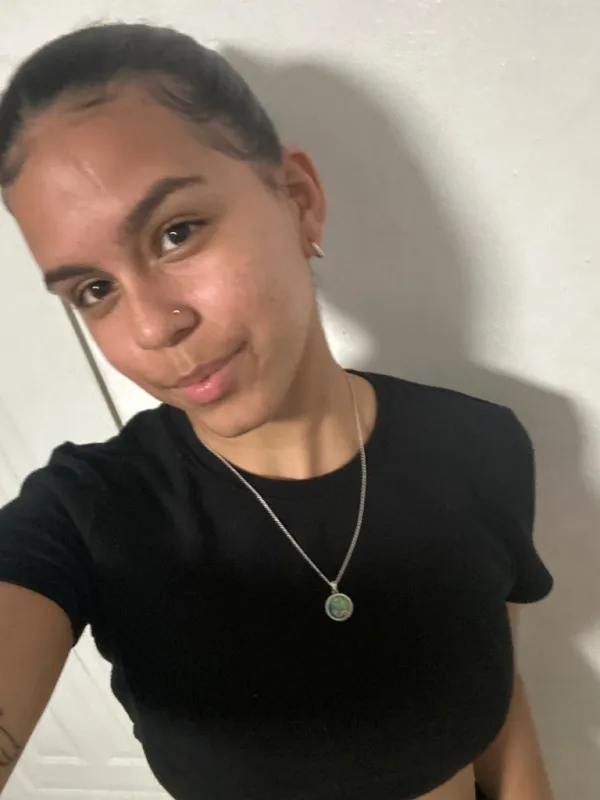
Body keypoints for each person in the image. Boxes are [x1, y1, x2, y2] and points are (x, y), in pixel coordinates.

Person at [0, 23, 554, 800]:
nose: (153, 328)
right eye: (95, 290)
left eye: (176, 232)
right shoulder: (86, 516)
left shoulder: (483, 445)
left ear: (298, 202)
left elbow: (499, 704)